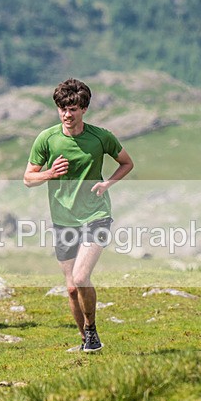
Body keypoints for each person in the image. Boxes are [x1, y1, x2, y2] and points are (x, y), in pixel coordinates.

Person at [23, 78, 134, 352]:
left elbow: (127, 163)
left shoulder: (100, 137)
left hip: (96, 214)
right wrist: (50, 173)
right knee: (71, 288)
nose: (66, 114)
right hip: (63, 220)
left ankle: (92, 329)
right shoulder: (46, 139)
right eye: (62, 108)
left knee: (82, 277)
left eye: (72, 108)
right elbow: (28, 178)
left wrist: (108, 182)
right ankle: (86, 340)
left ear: (83, 108)